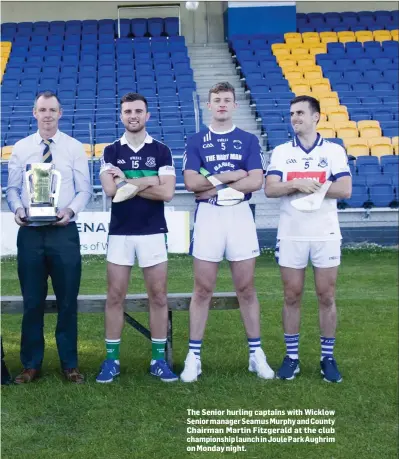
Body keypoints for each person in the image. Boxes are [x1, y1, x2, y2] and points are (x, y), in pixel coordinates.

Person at [180, 81, 274, 382]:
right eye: (216, 99)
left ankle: (255, 354)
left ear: (234, 105)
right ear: (209, 105)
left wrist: (216, 184)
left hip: (239, 216)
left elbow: (256, 180)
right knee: (202, 289)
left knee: (246, 288)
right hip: (209, 217)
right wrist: (233, 175)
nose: (221, 104)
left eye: (227, 100)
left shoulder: (246, 140)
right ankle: (193, 356)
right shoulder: (196, 140)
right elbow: (192, 183)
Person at [6, 91, 92, 384]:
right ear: (34, 113)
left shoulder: (74, 147)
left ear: (60, 113)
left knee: (68, 301)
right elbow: (12, 189)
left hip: (63, 232)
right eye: (42, 110)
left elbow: (85, 190)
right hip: (30, 234)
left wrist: (70, 211)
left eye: (52, 110)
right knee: (32, 301)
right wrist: (18, 210)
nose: (47, 114)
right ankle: (31, 364)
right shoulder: (20, 148)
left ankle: (70, 363)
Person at [264, 95, 352, 383]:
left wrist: (316, 187)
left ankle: (328, 357)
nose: (295, 118)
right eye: (292, 113)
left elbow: (345, 189)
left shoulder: (334, 151)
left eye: (300, 113)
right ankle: (292, 357)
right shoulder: (280, 151)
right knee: (292, 296)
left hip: (324, 232)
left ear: (316, 117)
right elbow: (270, 189)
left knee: (326, 296)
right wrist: (294, 183)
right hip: (291, 232)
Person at [96, 92, 177, 383]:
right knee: (115, 296)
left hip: (153, 232)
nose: (133, 116)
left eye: (138, 111)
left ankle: (158, 360)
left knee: (158, 296)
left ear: (147, 115)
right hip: (120, 233)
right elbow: (110, 191)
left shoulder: (162, 150)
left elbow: (167, 192)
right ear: (121, 115)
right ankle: (111, 360)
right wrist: (149, 180)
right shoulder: (110, 150)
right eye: (128, 111)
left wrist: (127, 180)